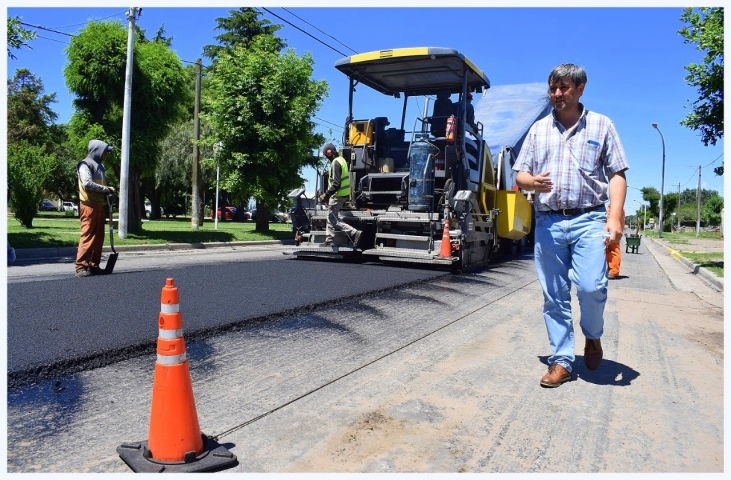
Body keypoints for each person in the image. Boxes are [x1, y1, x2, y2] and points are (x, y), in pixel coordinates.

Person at [513, 63, 629, 388]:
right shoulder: (538, 131)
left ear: (580, 89)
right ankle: (562, 360)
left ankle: (593, 337)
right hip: (549, 222)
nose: (557, 94)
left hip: (590, 218)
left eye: (563, 88)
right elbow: (519, 174)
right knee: (554, 296)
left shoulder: (602, 126)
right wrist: (531, 182)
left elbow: (617, 174)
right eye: (553, 88)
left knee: (592, 287)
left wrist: (615, 215)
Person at [75, 139, 115, 277]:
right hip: (88, 206)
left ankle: (93, 266)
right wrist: (106, 189)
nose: (106, 154)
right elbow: (87, 184)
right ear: (97, 150)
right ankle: (81, 267)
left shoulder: (100, 167)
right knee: (88, 236)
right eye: (104, 151)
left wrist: (107, 195)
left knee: (99, 237)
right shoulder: (85, 165)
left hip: (99, 206)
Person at [318, 143, 362, 248]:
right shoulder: (342, 160)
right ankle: (329, 240)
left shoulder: (335, 163)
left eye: (326, 155)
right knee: (331, 216)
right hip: (343, 194)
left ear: (329, 153)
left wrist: (326, 194)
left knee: (332, 218)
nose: (326, 157)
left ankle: (353, 232)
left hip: (337, 194)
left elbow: (336, 184)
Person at [605, 204, 626, 278]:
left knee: (614, 250)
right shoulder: (613, 206)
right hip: (610, 231)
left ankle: (614, 271)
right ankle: (610, 268)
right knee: (608, 250)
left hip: (613, 231)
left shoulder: (616, 207)